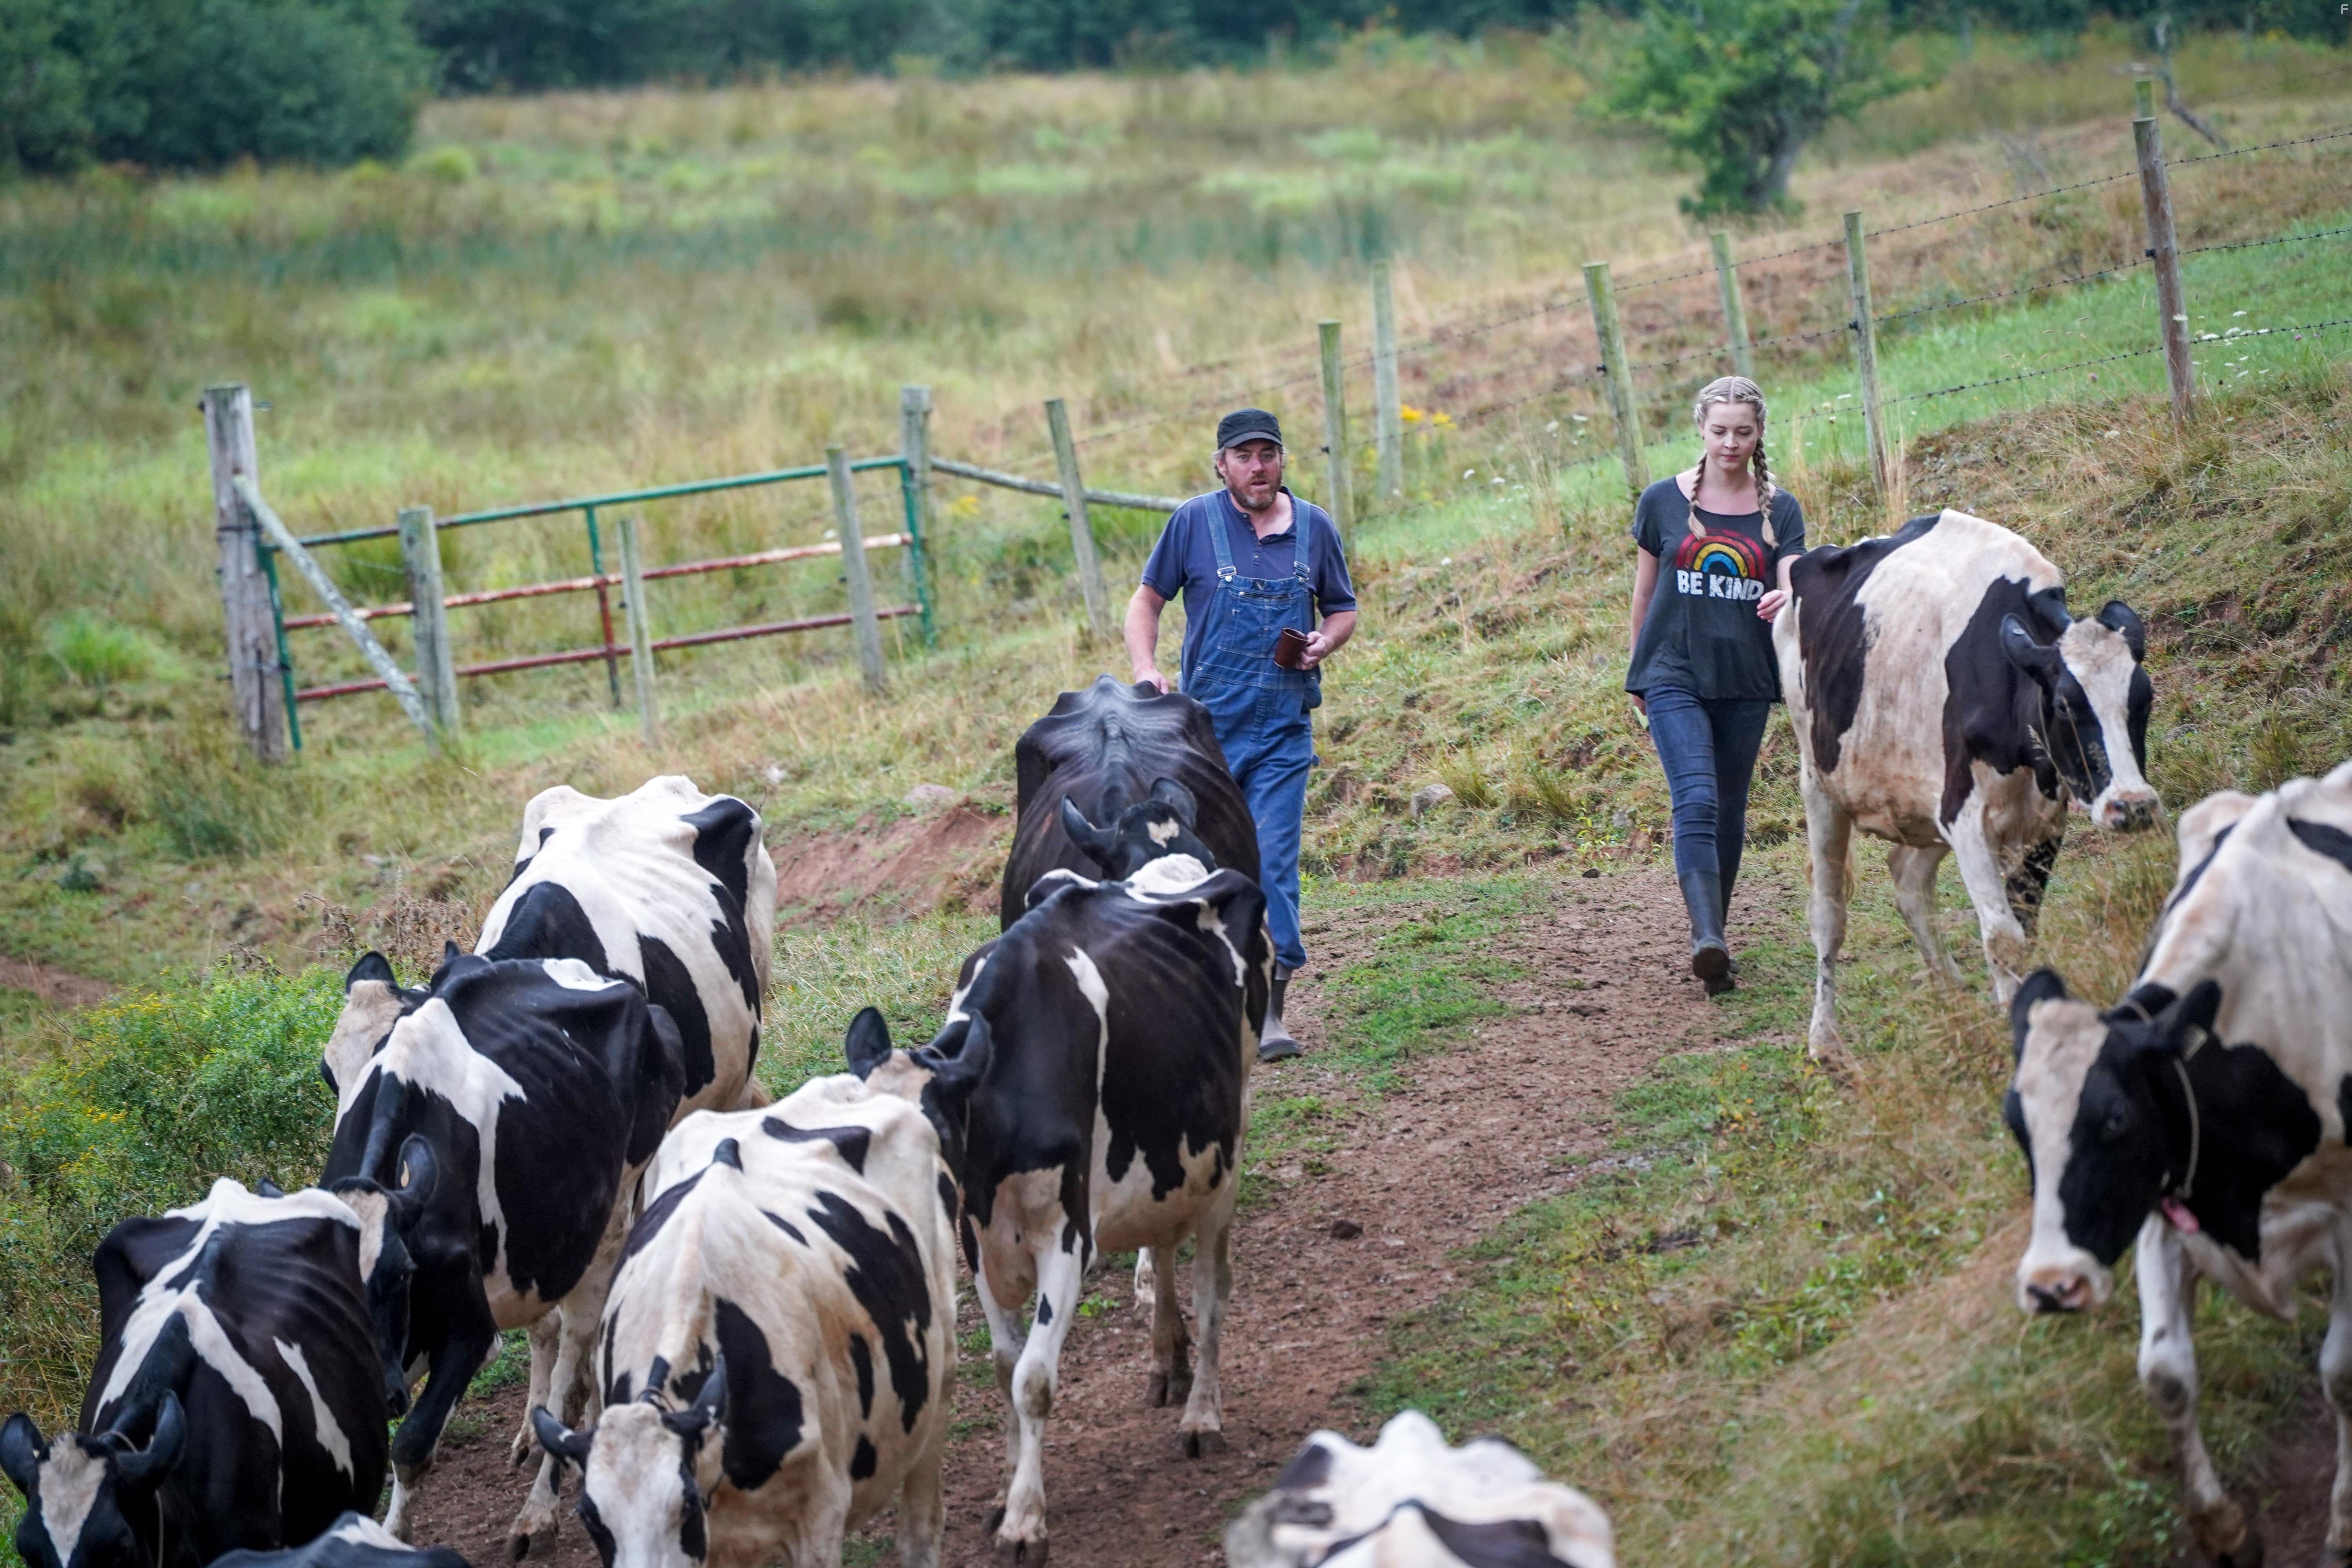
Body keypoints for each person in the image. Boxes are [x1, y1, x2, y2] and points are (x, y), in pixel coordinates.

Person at [1127, 408, 1359, 1061]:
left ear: (1283, 460)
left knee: (1273, 865)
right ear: (1221, 465)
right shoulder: (1193, 523)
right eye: (1244, 456)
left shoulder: (1314, 528)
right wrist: (1146, 669)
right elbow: (1147, 601)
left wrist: (1325, 641)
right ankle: (1188, 1001)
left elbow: (1342, 608)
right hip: (1205, 736)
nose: (1258, 467)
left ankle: (1270, 1011)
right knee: (1197, 867)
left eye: (1269, 454)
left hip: (1283, 730)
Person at [1624, 376, 1806, 995]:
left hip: (1748, 680)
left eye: (1744, 432)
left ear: (1759, 436)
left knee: (1730, 809)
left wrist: (1789, 593)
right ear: (1701, 429)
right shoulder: (1661, 502)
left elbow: (1790, 573)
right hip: (1673, 672)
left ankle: (1716, 943)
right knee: (1696, 799)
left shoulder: (1779, 509)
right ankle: (1708, 939)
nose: (1731, 442)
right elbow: (1646, 591)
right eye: (1720, 430)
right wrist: (1638, 673)